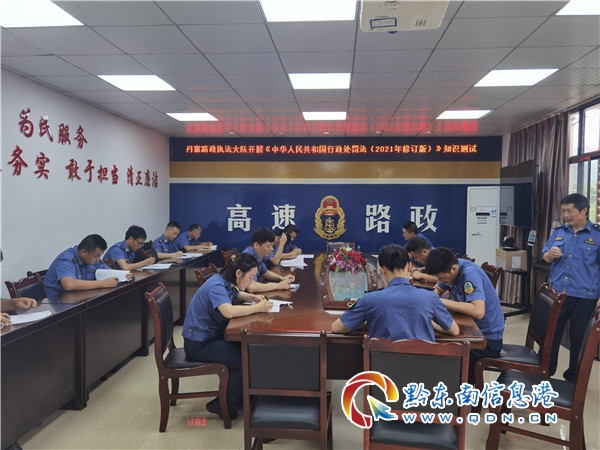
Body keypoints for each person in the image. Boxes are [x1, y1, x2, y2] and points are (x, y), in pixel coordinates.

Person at [182, 253, 273, 420]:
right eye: (250, 277)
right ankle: (222, 405)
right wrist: (256, 308)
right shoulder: (216, 285)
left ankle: (241, 395)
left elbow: (234, 294)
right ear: (238, 273)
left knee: (249, 350)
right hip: (199, 343)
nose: (251, 282)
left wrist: (251, 297)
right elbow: (228, 311)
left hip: (210, 336)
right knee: (243, 358)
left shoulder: (225, 281)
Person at [331, 244, 458, 340]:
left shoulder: (369, 299)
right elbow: (454, 330)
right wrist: (430, 322)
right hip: (424, 366)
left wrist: (364, 324)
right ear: (409, 266)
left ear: (382, 270)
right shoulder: (429, 297)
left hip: (382, 367)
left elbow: (336, 328)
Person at [542, 193, 600, 382]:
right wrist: (550, 255)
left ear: (584, 210)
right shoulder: (559, 232)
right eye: (564, 211)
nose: (566, 215)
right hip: (558, 293)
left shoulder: (597, 235)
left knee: (578, 339)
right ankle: (545, 372)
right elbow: (545, 257)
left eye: (570, 211)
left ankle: (574, 379)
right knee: (550, 336)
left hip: (585, 296)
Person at [424, 247, 504, 380]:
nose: (441, 281)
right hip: (473, 330)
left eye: (443, 279)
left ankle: (462, 390)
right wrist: (431, 298)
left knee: (446, 354)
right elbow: (438, 288)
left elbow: (478, 311)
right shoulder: (452, 267)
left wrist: (440, 302)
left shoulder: (469, 274)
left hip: (487, 340)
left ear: (453, 269)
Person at [44, 234, 130, 298]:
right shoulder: (66, 260)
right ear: (84, 252)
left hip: (81, 297)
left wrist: (123, 275)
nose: (98, 259)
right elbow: (69, 285)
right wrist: (102, 283)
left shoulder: (92, 259)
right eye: (96, 256)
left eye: (100, 255)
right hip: (58, 304)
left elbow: (109, 271)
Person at [243, 227, 295, 293]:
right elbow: (251, 287)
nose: (271, 249)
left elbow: (266, 273)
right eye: (268, 246)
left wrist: (282, 278)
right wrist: (278, 286)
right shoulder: (247, 258)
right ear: (256, 245)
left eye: (272, 246)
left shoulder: (258, 256)